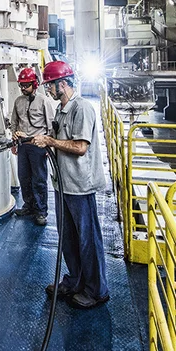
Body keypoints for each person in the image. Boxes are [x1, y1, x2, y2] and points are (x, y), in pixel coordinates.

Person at [32, 61, 110, 310]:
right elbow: (59, 140)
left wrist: (51, 142)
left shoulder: (82, 108)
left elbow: (80, 147)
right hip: (63, 185)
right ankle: (75, 280)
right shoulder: (61, 110)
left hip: (80, 186)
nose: (48, 91)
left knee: (88, 239)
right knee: (68, 238)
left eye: (50, 86)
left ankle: (97, 290)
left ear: (62, 84)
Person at [10, 67, 55, 226]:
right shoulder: (18, 101)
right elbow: (14, 122)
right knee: (24, 178)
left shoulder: (44, 101)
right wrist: (14, 141)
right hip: (23, 147)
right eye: (21, 85)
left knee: (39, 180)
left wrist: (50, 145)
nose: (23, 88)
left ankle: (41, 211)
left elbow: (51, 125)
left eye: (26, 85)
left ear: (34, 84)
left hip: (38, 146)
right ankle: (28, 206)